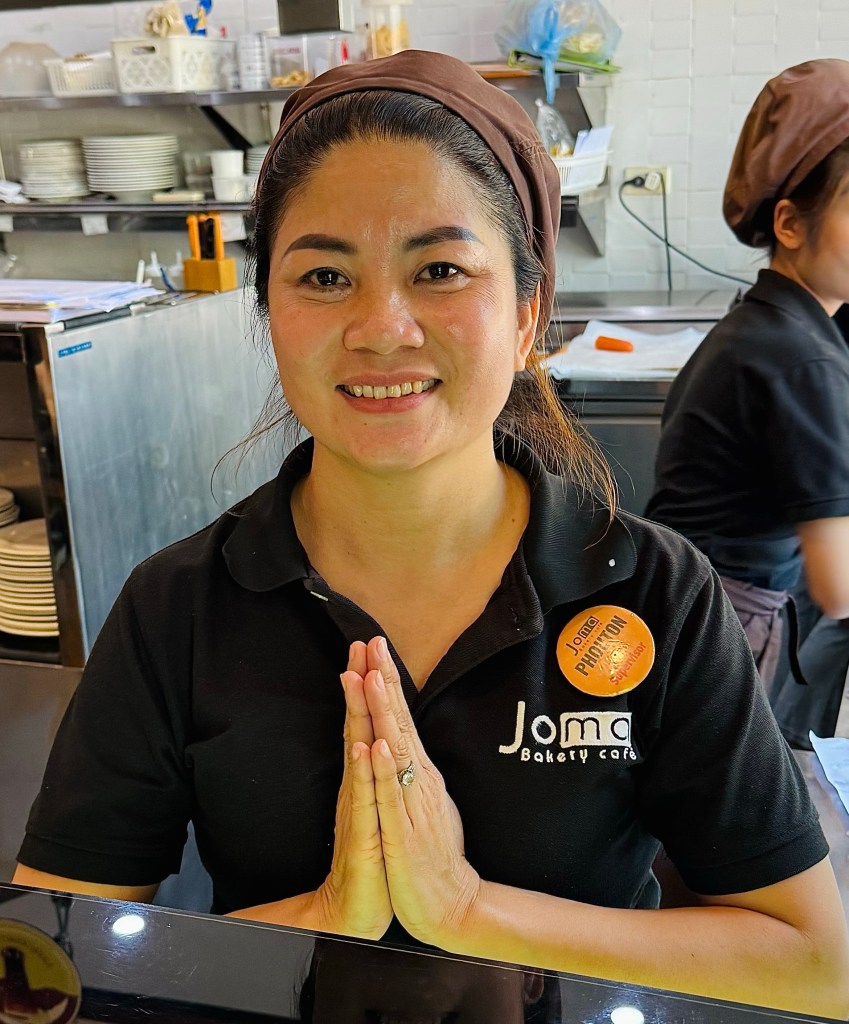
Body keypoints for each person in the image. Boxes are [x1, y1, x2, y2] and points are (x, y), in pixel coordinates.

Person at [12, 51, 849, 1016]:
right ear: (269, 313)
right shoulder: (178, 608)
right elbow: (41, 974)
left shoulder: (654, 590)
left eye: (440, 269)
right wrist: (327, 917)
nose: (382, 327)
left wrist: (466, 911)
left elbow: (811, 965)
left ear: (529, 313)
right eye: (324, 275)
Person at [646, 59, 849, 731]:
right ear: (789, 223)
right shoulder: (800, 356)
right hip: (727, 624)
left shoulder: (764, 321)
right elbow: (839, 587)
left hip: (683, 606)